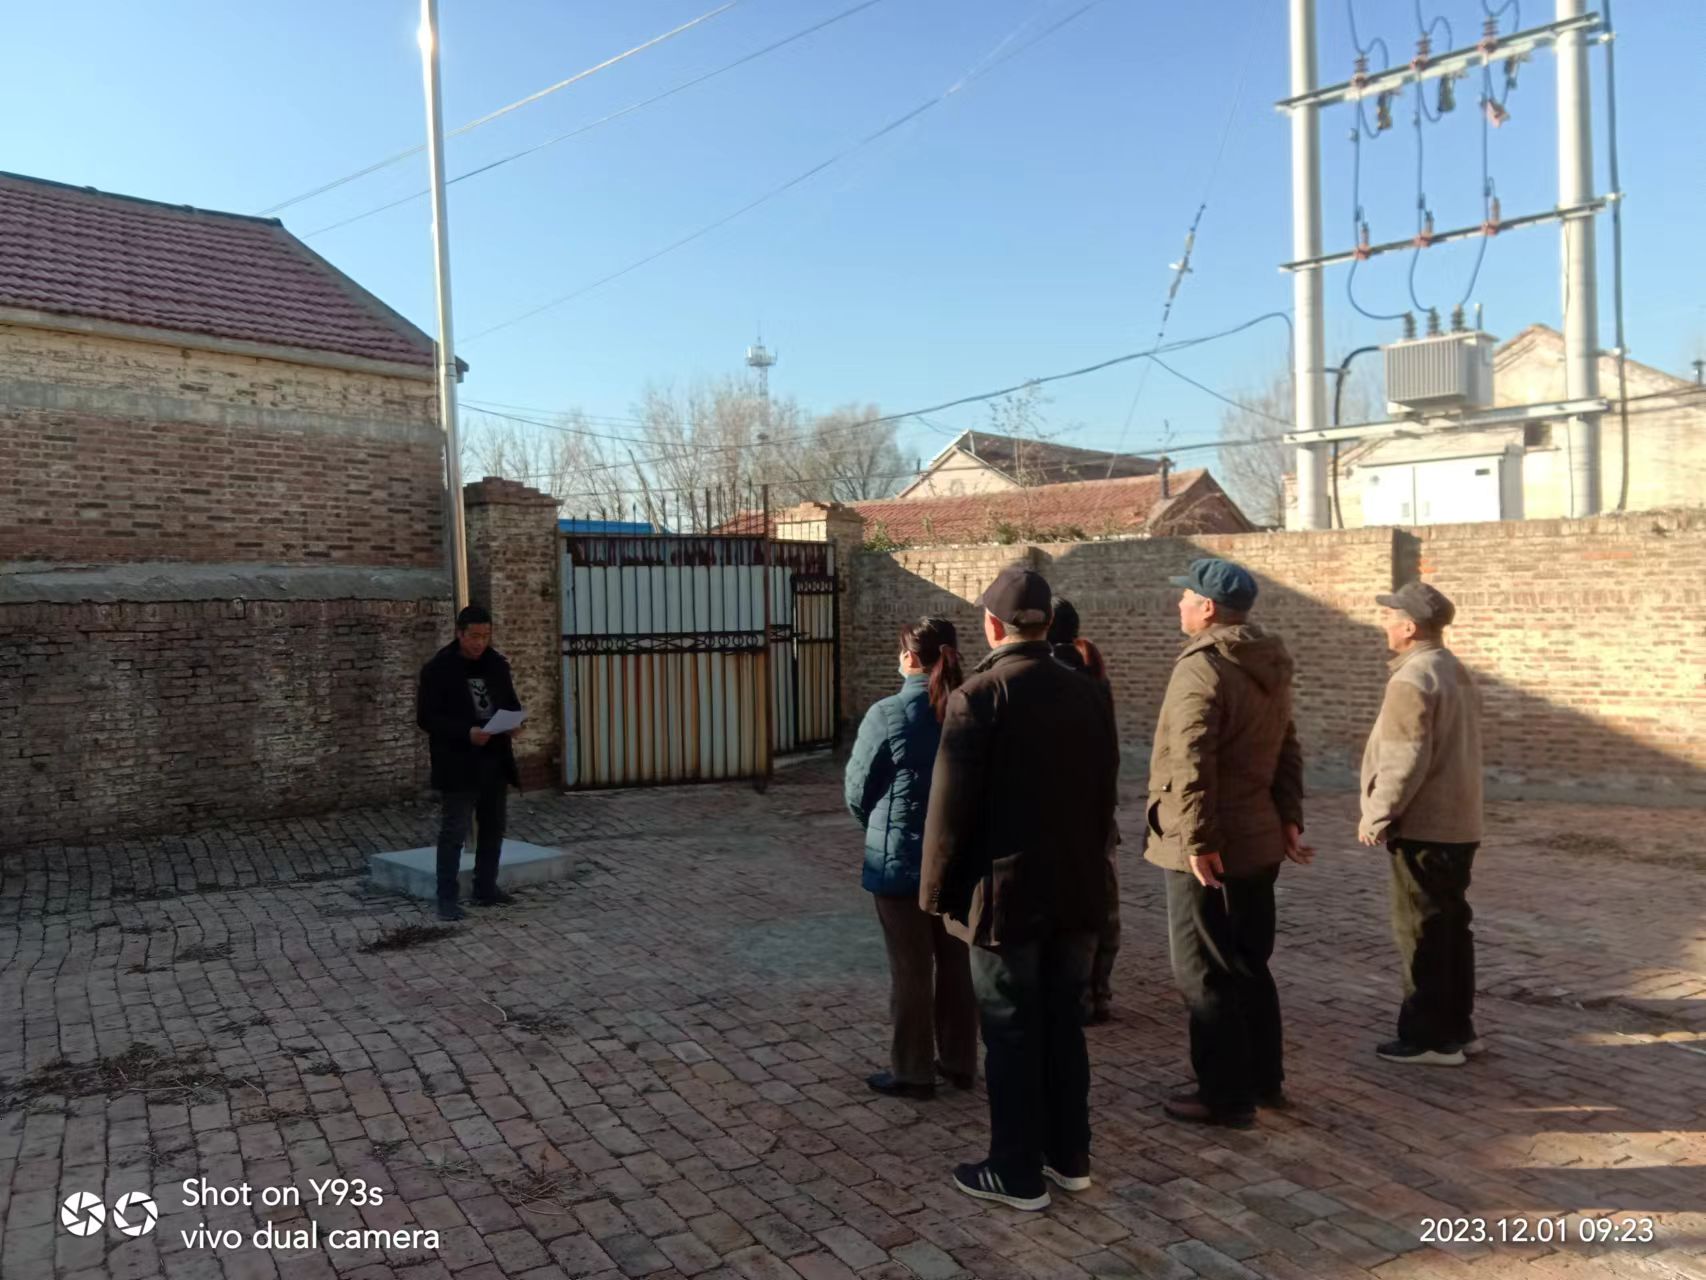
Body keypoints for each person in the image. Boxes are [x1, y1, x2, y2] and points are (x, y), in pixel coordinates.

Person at [921, 566, 1120, 1212]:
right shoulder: (1088, 691)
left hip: (1005, 897)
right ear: (1047, 622)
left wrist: (934, 895)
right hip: (1078, 889)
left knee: (1009, 1031)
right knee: (1063, 1023)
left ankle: (1015, 1170)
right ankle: (1069, 1155)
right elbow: (1105, 793)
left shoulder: (977, 696)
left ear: (992, 624)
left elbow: (948, 812)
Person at [1145, 558, 1311, 1129]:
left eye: (1186, 596)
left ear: (1208, 607)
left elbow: (1191, 760)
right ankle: (1264, 1081)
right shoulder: (1268, 662)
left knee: (1204, 968)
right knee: (1248, 963)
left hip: (1210, 844)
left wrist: (1197, 838)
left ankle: (1224, 1094)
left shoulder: (1203, 667)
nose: (1180, 604)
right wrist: (1288, 817)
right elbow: (1288, 747)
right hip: (1258, 837)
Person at [845, 618, 978, 1101]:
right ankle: (960, 1061)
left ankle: (913, 1070)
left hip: (900, 862)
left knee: (911, 969)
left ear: (908, 657)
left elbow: (858, 789)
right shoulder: (973, 708)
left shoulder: (888, 713)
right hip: (957, 859)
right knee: (956, 964)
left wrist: (881, 827)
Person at [1358, 582, 1484, 1067]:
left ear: (1409, 627)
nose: (1384, 624)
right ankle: (1459, 1029)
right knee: (1451, 928)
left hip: (1425, 825)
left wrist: (1378, 814)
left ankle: (1429, 1038)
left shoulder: (1412, 677)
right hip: (1460, 822)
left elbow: (1404, 757)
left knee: (1422, 932)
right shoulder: (1452, 668)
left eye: (1390, 616)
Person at [416, 605, 525, 921]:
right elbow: (427, 718)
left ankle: (486, 887)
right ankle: (447, 898)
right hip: (459, 763)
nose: (480, 642)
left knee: (493, 827)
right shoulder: (438, 669)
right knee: (454, 831)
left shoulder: (497, 665)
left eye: (485, 636)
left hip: (494, 759)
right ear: (459, 634)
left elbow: (510, 703)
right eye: (474, 636)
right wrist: (466, 732)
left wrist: (515, 724)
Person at [1047, 597, 1121, 1026]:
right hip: (1099, 810)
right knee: (1102, 902)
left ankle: (1075, 994)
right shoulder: (1094, 676)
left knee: (1069, 909)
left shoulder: (1049, 678)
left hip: (1061, 813)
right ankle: (1098, 992)